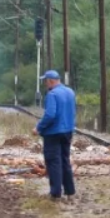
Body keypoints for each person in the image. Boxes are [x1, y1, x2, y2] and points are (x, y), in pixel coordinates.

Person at [35, 70, 76, 200]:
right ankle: (70, 191)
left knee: (53, 162)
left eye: (45, 81)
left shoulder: (52, 94)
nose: (45, 84)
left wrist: (38, 128)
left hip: (53, 133)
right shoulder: (70, 92)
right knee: (65, 160)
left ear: (50, 81)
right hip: (68, 131)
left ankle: (55, 193)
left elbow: (50, 115)